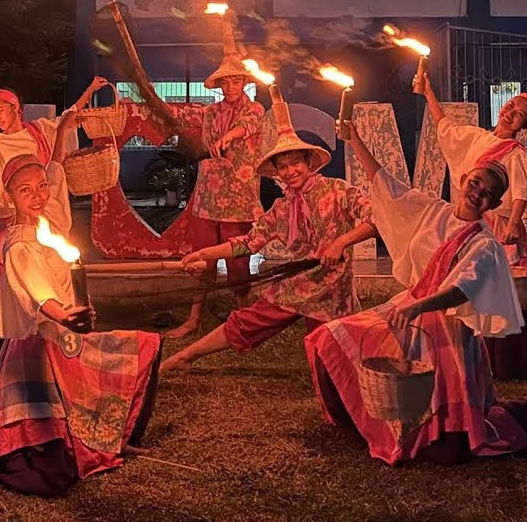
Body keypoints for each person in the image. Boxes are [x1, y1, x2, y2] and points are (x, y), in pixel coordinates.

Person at [305, 120, 527, 465]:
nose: (477, 193)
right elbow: (385, 186)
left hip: (447, 329)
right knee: (329, 337)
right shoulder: (432, 209)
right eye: (476, 182)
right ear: (465, 177)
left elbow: (461, 288)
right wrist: (356, 140)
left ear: (494, 203)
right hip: (409, 307)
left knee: (451, 445)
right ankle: (362, 420)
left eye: (487, 193)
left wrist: (418, 308)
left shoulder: (484, 244)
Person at [0, 154, 161, 496]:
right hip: (34, 342)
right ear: (10, 197)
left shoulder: (46, 229)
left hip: (61, 334)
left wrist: (80, 309)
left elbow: (65, 278)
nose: (37, 196)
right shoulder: (18, 244)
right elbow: (36, 292)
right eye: (25, 190)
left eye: (42, 187)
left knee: (75, 396)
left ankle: (101, 442)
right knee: (15, 435)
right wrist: (64, 315)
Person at [160, 102, 376, 373]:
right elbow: (247, 244)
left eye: (296, 162)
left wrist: (341, 242)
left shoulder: (337, 191)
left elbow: (375, 218)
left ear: (309, 162)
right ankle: (185, 356)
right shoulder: (281, 209)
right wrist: (205, 254)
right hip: (295, 288)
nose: (290, 171)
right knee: (246, 322)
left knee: (332, 366)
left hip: (332, 297)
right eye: (282, 166)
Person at [0, 79, 108, 368]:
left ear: (16, 108)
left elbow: (61, 139)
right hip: (16, 223)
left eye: (0, 111)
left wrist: (89, 91)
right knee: (9, 291)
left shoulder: (39, 130)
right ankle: (2, 356)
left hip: (46, 218)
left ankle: (63, 351)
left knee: (57, 279)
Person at [165, 39, 265, 338]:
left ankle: (240, 316)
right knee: (202, 258)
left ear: (244, 82)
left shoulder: (256, 109)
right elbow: (188, 123)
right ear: (220, 84)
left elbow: (245, 126)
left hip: (238, 196)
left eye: (236, 80)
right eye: (226, 81)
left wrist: (228, 139)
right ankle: (193, 319)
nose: (231, 86)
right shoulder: (210, 113)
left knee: (238, 260)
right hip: (208, 195)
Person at [416, 76, 527, 268]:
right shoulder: (477, 137)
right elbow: (445, 127)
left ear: (524, 125)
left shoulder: (515, 153)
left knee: (495, 271)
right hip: (470, 215)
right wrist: (428, 92)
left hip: (496, 223)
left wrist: (512, 225)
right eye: (510, 106)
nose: (510, 114)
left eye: (519, 115)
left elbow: (521, 193)